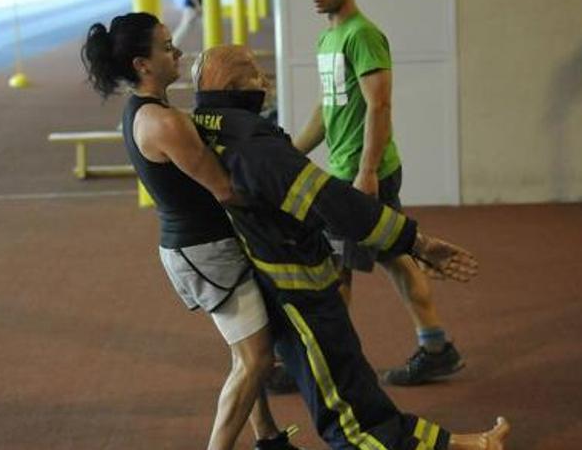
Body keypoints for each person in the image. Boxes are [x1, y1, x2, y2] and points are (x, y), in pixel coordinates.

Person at [190, 44, 510, 450]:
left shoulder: (210, 126)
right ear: (231, 82)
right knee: (351, 420)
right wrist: (415, 240)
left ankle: (465, 445)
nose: (264, 80)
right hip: (298, 290)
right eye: (254, 72)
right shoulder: (252, 144)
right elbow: (330, 202)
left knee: (356, 390)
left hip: (295, 281)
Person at [81, 12, 300, 450]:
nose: (178, 52)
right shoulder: (165, 123)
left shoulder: (147, 112)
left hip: (197, 248)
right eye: (166, 47)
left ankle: (269, 437)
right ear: (143, 64)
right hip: (206, 252)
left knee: (244, 350)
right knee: (256, 360)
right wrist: (290, 195)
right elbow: (226, 190)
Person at [294, 0, 462, 386]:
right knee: (394, 259)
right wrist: (291, 153)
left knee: (338, 269)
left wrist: (366, 172)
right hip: (348, 172)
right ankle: (436, 347)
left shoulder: (363, 36)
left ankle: (331, 367)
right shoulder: (327, 40)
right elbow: (328, 108)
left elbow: (379, 104)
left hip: (364, 176)